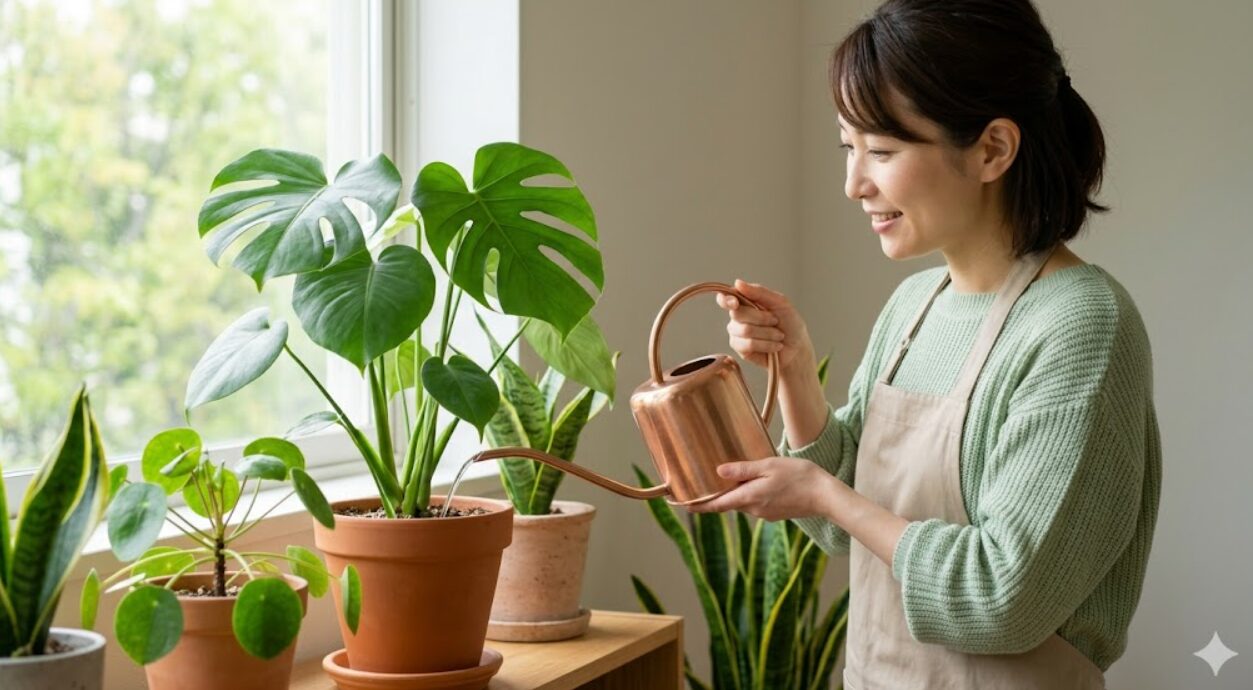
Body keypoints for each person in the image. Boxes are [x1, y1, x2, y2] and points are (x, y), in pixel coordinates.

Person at [687, 1, 1161, 687]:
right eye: (846, 148)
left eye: (880, 151)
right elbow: (847, 526)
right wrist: (792, 370)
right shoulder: (914, 304)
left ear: (992, 148)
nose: (853, 184)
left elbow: (1002, 598)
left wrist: (825, 495)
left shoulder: (1081, 326)